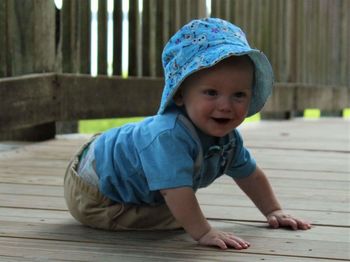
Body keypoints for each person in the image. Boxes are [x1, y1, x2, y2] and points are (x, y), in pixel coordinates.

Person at [64, 18, 311, 250]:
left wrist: (273, 210)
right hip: (95, 192)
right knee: (178, 214)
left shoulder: (229, 140)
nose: (226, 106)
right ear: (180, 94)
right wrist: (204, 232)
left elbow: (250, 175)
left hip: (111, 163)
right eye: (211, 93)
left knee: (183, 209)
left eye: (239, 95)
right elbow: (175, 191)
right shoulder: (169, 137)